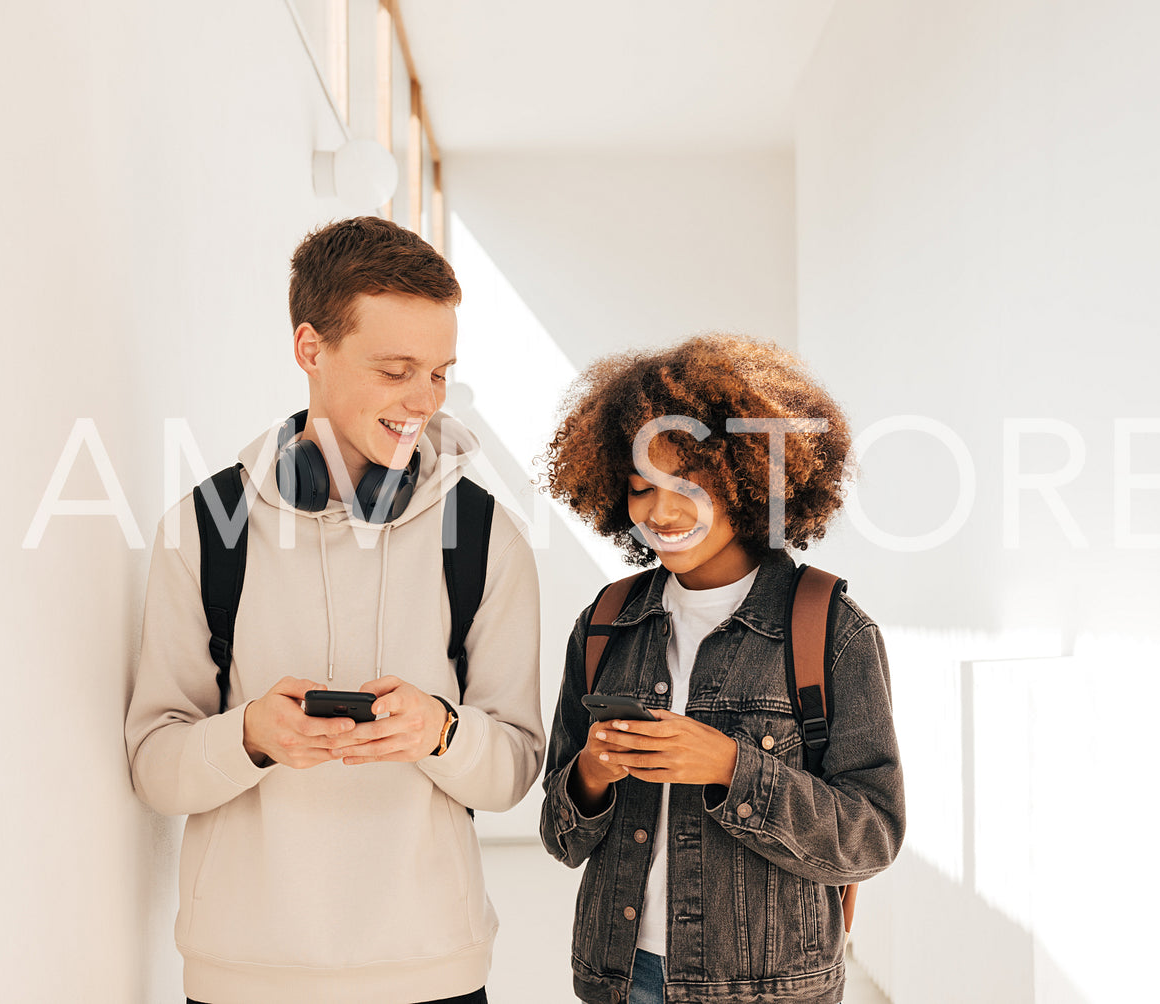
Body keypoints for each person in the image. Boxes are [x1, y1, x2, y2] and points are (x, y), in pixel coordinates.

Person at [126, 217, 545, 1004]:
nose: (423, 400)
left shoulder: (488, 539)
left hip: (433, 971)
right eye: (396, 370)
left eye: (440, 373)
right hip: (242, 977)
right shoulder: (202, 528)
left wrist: (441, 731)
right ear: (310, 349)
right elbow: (154, 764)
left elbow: (515, 768)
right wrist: (248, 735)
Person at [538, 334, 905, 1004]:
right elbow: (559, 839)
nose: (661, 512)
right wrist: (590, 774)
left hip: (765, 990)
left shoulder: (830, 629)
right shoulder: (604, 623)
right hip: (618, 979)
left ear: (750, 480)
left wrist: (732, 769)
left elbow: (870, 837)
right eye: (641, 487)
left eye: (690, 486)